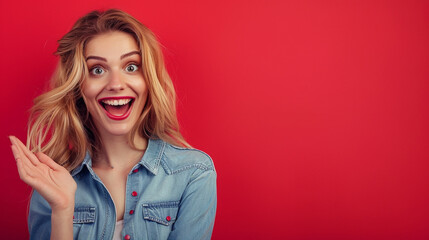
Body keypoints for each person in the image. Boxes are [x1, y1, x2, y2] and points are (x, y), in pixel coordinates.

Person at [9, 9, 216, 240]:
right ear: (79, 87)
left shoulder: (193, 173)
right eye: (97, 70)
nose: (116, 84)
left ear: (148, 80)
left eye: (131, 67)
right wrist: (63, 210)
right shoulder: (51, 179)